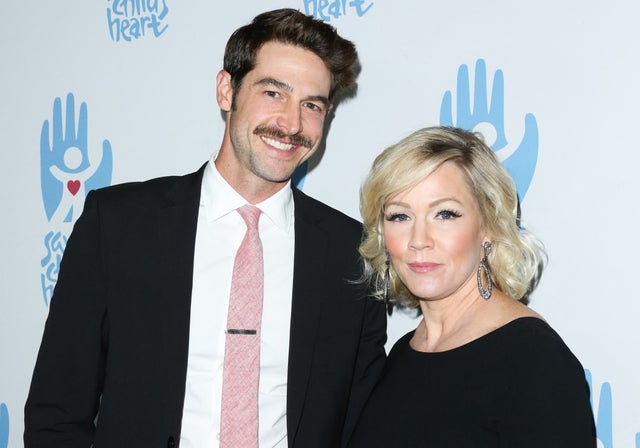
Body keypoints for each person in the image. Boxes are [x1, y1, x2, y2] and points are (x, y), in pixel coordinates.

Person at [24, 8, 386, 448]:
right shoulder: (118, 225)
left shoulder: (352, 253)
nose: (291, 124)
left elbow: (361, 424)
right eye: (273, 92)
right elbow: (57, 411)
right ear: (226, 90)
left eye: (312, 105)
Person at [348, 126, 596, 447]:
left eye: (445, 214)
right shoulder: (404, 353)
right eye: (400, 216)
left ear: (488, 226)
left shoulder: (535, 361)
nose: (419, 240)